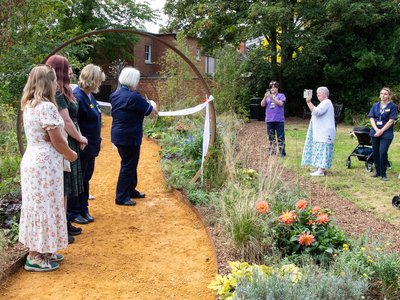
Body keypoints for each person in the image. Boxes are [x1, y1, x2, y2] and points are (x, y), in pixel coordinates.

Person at [19, 65, 77, 271]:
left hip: (33, 161)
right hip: (44, 166)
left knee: (40, 205)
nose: (56, 84)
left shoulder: (30, 105)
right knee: (45, 206)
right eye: (53, 81)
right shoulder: (46, 107)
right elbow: (57, 141)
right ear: (47, 83)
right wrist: (72, 154)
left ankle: (44, 250)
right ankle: (35, 256)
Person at [45, 55, 88, 243]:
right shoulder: (57, 94)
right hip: (66, 140)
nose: (70, 69)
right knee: (63, 184)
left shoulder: (66, 90)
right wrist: (79, 137)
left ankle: (65, 222)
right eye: (67, 66)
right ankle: (62, 227)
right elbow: (66, 120)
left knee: (68, 185)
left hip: (71, 138)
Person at [110, 67, 158, 206]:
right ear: (132, 80)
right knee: (128, 165)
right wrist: (153, 103)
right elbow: (150, 111)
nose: (138, 82)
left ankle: (130, 190)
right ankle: (121, 197)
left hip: (119, 135)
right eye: (137, 79)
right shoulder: (134, 97)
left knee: (130, 163)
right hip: (129, 136)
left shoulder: (115, 94)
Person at [68, 64, 105, 224]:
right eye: (99, 80)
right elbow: (73, 123)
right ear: (92, 80)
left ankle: (84, 208)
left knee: (86, 178)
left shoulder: (90, 95)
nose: (101, 84)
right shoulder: (78, 96)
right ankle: (74, 212)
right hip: (81, 147)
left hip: (91, 147)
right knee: (78, 179)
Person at [301, 87, 335, 176]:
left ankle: (321, 171)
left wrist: (309, 102)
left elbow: (317, 112)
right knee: (319, 148)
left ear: (325, 94)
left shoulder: (327, 102)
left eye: (319, 93)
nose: (317, 94)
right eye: (317, 93)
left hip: (325, 132)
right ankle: (319, 167)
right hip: (321, 131)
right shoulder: (323, 103)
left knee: (323, 149)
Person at [368, 87, 398, 181]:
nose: (383, 95)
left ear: (389, 95)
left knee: (383, 152)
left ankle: (383, 174)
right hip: (375, 132)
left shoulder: (392, 106)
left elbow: (391, 121)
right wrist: (376, 129)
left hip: (386, 133)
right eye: (381, 93)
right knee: (375, 152)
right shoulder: (375, 105)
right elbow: (371, 118)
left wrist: (381, 131)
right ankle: (377, 171)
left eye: (385, 94)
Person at [260, 80, 286, 156]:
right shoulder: (267, 97)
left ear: (277, 88)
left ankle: (282, 153)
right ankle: (272, 152)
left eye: (274, 87)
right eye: (271, 88)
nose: (272, 89)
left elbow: (281, 104)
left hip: (279, 120)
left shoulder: (281, 95)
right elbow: (262, 104)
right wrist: (265, 97)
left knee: (280, 137)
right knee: (271, 137)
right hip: (269, 120)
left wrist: (273, 99)